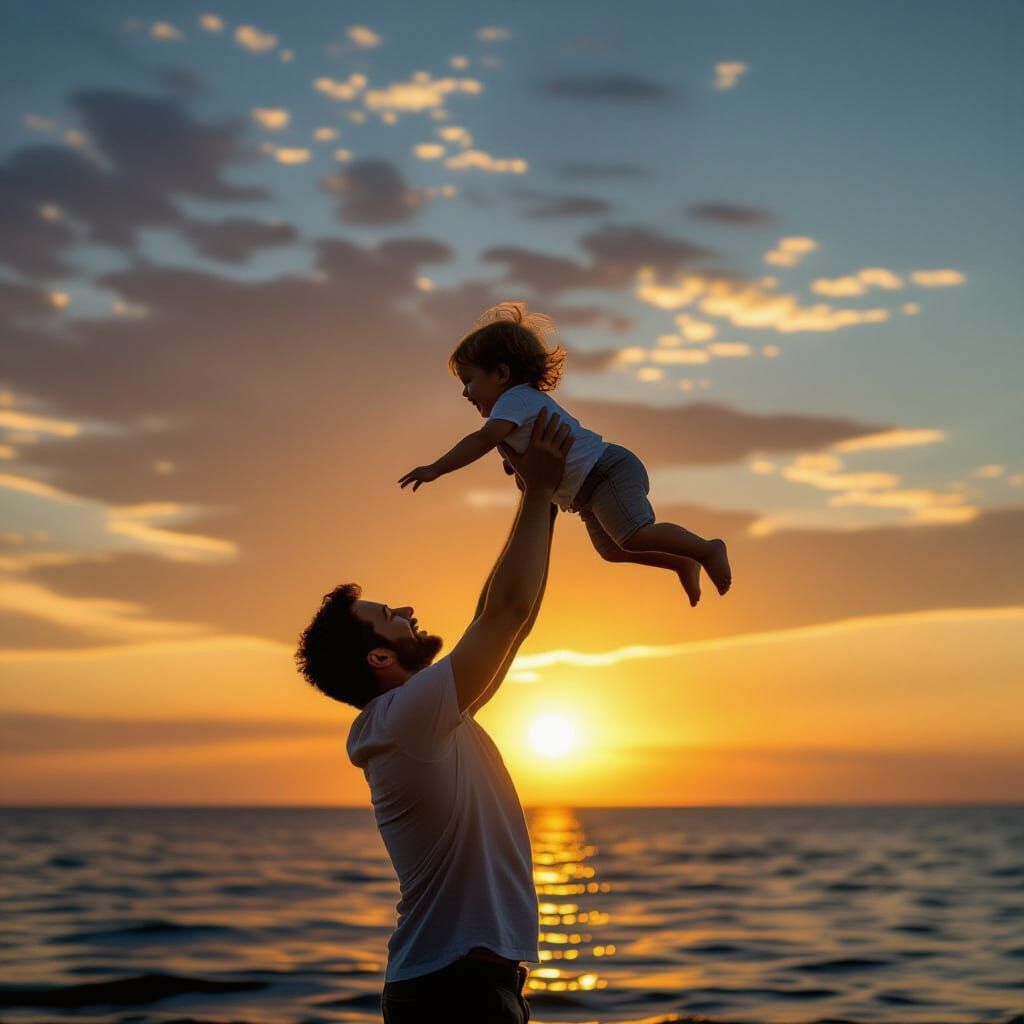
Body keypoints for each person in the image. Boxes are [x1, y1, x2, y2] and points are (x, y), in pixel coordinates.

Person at [296, 408, 575, 1023]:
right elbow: (500, 617)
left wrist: (544, 503)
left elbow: (509, 622)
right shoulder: (403, 719)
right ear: (379, 656)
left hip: (471, 986)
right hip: (455, 994)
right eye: (389, 615)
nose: (407, 608)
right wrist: (538, 492)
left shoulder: (424, 719)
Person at [398, 300, 731, 607]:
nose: (465, 392)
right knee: (613, 550)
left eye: (469, 381)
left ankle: (706, 548)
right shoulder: (517, 410)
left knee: (633, 534)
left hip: (605, 472)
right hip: (586, 492)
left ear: (501, 374)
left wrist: (436, 468)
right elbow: (520, 462)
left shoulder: (513, 400)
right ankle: (683, 561)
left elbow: (481, 440)